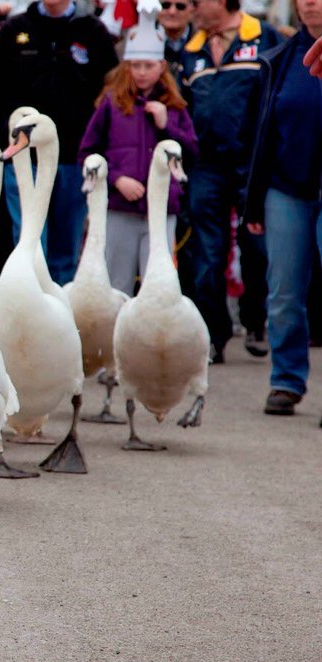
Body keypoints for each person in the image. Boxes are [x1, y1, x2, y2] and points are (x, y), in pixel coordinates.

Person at [0, 0, 117, 285]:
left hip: (74, 158)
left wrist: (98, 146)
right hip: (24, 159)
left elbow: (111, 94)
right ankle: (29, 302)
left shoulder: (93, 31)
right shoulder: (14, 30)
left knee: (65, 249)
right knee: (29, 243)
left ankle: (60, 306)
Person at [178, 0, 281, 363]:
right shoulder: (191, 49)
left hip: (253, 162)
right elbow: (184, 107)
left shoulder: (265, 37)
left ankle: (255, 320)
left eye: (198, 2)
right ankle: (214, 335)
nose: (193, 8)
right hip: (206, 165)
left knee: (257, 246)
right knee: (207, 253)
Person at [78, 13, 197, 295]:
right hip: (120, 207)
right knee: (116, 285)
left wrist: (167, 126)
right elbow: (88, 153)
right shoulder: (111, 104)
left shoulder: (174, 106)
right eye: (135, 66)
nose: (142, 72)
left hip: (161, 208)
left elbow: (191, 153)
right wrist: (116, 179)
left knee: (157, 286)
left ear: (162, 66)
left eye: (148, 66)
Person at [243, 0, 322, 418]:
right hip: (286, 188)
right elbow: (261, 134)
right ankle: (287, 379)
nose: (310, 2)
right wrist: (254, 200)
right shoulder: (280, 58)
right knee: (284, 292)